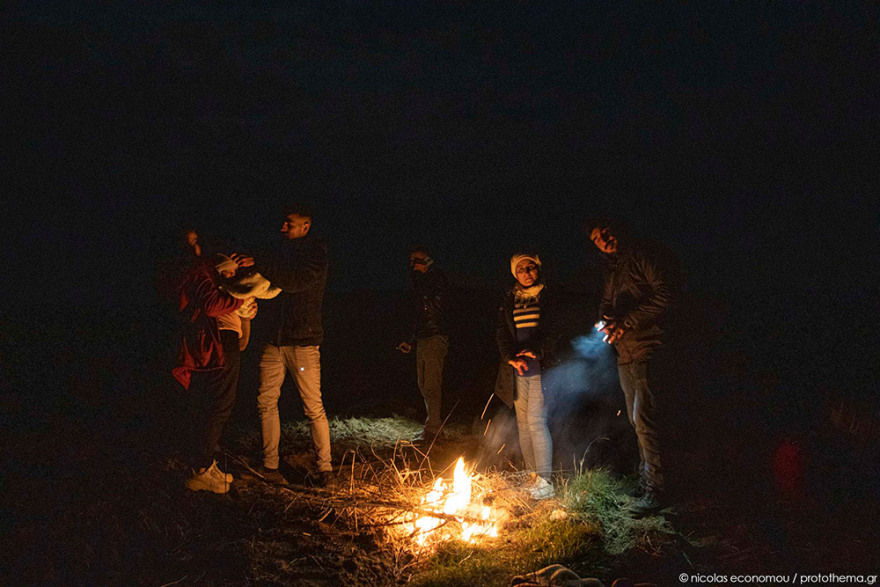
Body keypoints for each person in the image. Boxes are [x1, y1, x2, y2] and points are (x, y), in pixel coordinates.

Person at [231, 205, 331, 486]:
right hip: (274, 341)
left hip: (303, 341)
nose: (283, 228)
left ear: (306, 226)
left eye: (289, 223)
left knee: (313, 406)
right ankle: (270, 466)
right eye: (284, 223)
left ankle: (325, 469)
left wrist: (260, 262)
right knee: (265, 402)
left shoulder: (315, 254)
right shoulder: (280, 251)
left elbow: (294, 281)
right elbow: (265, 285)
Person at [588, 219, 679, 516]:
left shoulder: (642, 255)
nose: (603, 239)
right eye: (596, 238)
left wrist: (626, 321)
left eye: (605, 231)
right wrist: (606, 319)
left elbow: (666, 295)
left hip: (647, 346)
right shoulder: (612, 270)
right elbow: (606, 303)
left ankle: (657, 489)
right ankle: (646, 481)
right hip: (624, 352)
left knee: (645, 418)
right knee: (635, 420)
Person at [173, 253, 256, 493]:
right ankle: (201, 470)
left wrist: (247, 310)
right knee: (220, 405)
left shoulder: (228, 290)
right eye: (226, 272)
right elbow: (212, 307)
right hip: (220, 341)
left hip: (228, 340)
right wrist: (241, 301)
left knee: (219, 403)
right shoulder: (211, 284)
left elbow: (241, 320)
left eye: (233, 272)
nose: (231, 276)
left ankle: (205, 463)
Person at [495, 253, 559, 500]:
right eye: (521, 269)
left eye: (530, 267)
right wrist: (509, 357)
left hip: (541, 368)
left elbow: (554, 330)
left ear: (537, 269)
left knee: (536, 422)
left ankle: (545, 481)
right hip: (517, 369)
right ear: (515, 273)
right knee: (523, 424)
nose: (527, 272)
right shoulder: (510, 299)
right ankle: (532, 477)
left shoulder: (547, 296)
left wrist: (538, 350)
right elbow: (502, 331)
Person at [397, 246, 449, 441]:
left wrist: (419, 277)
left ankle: (434, 428)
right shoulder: (418, 282)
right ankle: (433, 424)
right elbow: (417, 313)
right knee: (423, 383)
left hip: (436, 335)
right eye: (411, 261)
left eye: (417, 260)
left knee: (432, 383)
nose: (413, 265)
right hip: (423, 337)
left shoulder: (436, 279)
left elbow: (430, 304)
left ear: (427, 260)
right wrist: (409, 339)